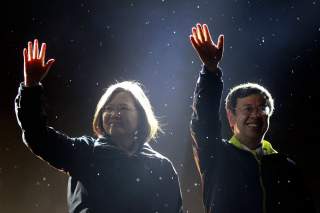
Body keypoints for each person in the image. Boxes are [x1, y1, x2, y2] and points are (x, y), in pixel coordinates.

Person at [15, 39, 183, 213]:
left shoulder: (161, 167)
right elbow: (37, 136)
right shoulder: (86, 153)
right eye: (108, 109)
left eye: (123, 108)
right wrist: (31, 87)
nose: (113, 114)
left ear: (141, 116)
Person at [189, 23, 315, 213]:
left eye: (262, 108)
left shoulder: (286, 167)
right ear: (231, 117)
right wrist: (210, 70)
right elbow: (204, 120)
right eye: (247, 108)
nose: (255, 114)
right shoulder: (215, 154)